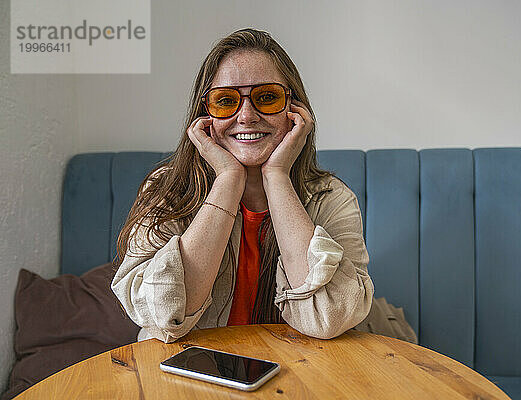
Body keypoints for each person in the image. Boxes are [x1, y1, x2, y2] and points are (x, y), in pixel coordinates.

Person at [110, 28, 374, 344]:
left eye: (266, 97)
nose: (246, 116)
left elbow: (330, 317)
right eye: (225, 101)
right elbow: (164, 315)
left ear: (295, 112)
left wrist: (277, 177)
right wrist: (228, 180)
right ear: (204, 114)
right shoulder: (165, 190)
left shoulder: (332, 199)